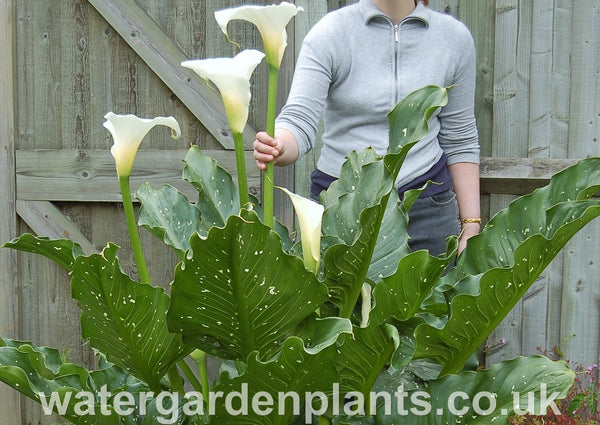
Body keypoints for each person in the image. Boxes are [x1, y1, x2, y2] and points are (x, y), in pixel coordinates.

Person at [253, 0, 481, 256]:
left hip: (427, 207)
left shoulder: (453, 38)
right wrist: (279, 145)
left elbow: (460, 139)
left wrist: (471, 224)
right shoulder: (331, 33)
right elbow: (298, 120)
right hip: (343, 206)